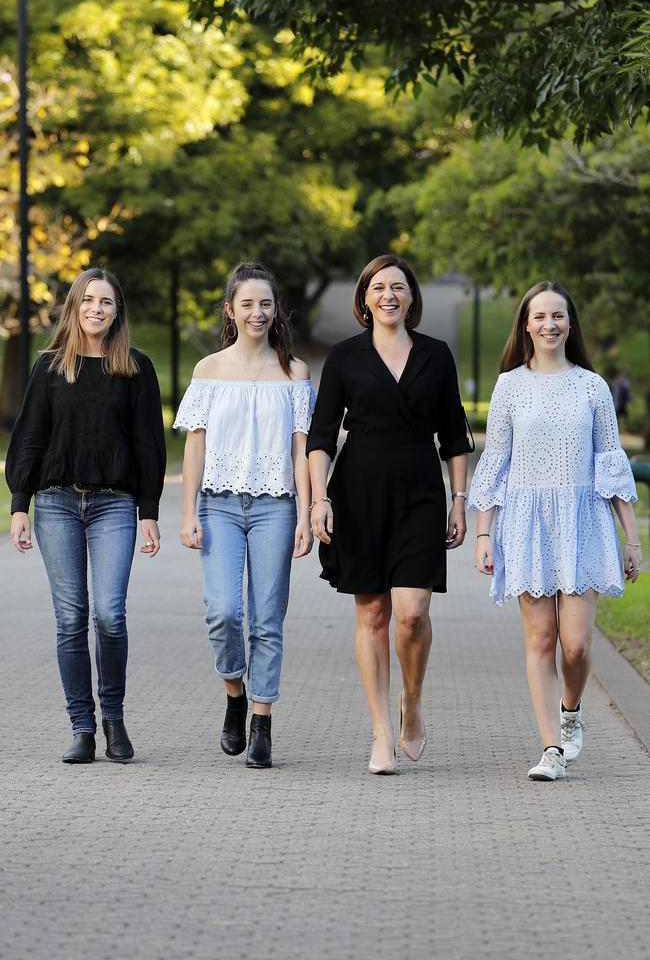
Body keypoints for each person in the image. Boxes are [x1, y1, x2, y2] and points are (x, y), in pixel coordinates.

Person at [307, 253, 473, 775]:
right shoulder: (345, 357)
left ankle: (412, 700)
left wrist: (459, 500)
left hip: (421, 489)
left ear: (411, 298)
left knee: (412, 613)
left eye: (398, 287)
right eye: (378, 287)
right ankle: (380, 730)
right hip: (359, 492)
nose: (388, 296)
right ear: (364, 299)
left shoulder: (437, 355)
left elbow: (455, 434)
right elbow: (320, 436)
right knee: (373, 612)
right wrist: (319, 499)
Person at [469, 281, 641, 782]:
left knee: (576, 646)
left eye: (558, 316)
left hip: (583, 522)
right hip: (526, 525)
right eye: (540, 316)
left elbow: (611, 464)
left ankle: (571, 710)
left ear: (569, 324)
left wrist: (631, 539)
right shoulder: (509, 386)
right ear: (525, 324)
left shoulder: (592, 387)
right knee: (541, 638)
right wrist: (484, 534)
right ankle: (551, 749)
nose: (549, 325)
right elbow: (495, 462)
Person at [6, 267, 166, 764]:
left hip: (114, 505)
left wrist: (149, 511)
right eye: (88, 300)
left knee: (109, 615)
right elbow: (29, 437)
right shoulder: (51, 366)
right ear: (75, 307)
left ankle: (113, 718)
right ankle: (82, 727)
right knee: (71, 619)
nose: (97, 309)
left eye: (107, 302)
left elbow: (149, 445)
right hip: (55, 504)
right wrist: (19, 505)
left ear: (118, 312)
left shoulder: (135, 368)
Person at [174, 262, 313, 769]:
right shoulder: (208, 370)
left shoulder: (294, 372)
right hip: (219, 505)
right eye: (248, 304)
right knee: (223, 613)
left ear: (276, 312)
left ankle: (262, 722)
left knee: (267, 619)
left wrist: (304, 513)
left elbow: (303, 449)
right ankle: (234, 691)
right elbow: (194, 447)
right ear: (230, 310)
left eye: (266, 304)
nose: (258, 312)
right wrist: (187, 512)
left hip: (277, 506)